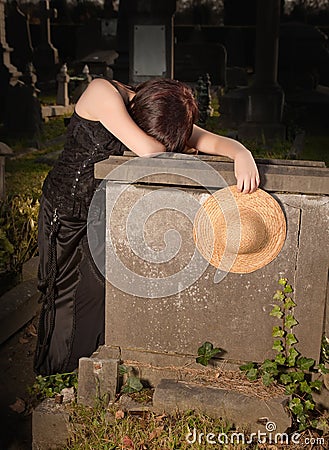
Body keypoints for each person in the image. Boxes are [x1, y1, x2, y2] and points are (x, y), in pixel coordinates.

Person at [34, 77, 259, 376]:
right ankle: (52, 372)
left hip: (97, 212)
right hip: (63, 210)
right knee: (60, 291)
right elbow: (152, 153)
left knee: (95, 292)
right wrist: (182, 144)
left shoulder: (153, 109)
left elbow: (212, 141)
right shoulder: (103, 92)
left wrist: (241, 153)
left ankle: (82, 367)